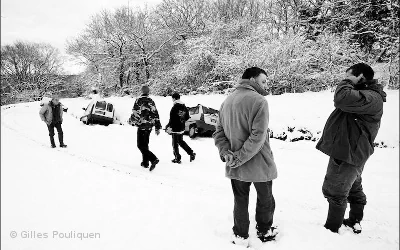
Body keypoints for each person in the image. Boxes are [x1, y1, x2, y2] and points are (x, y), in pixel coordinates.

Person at [316, 63, 386, 234]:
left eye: (349, 76)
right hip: (350, 150)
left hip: (349, 152)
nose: (345, 79)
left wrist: (347, 82)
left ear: (361, 76)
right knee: (353, 186)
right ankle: (354, 220)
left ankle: (331, 229)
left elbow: (341, 98)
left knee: (335, 190)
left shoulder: (371, 98)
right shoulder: (364, 94)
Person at [213, 67, 278, 246]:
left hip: (235, 164)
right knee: (265, 199)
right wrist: (239, 157)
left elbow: (218, 133)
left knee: (240, 199)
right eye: (263, 81)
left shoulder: (226, 101)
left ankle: (240, 235)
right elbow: (258, 136)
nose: (266, 84)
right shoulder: (260, 101)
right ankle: (264, 231)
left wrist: (227, 154)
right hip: (259, 163)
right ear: (252, 79)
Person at [129, 85, 161, 171]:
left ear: (142, 91)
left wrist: (131, 121)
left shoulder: (139, 100)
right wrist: (157, 127)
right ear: (148, 92)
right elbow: (156, 114)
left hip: (142, 126)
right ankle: (145, 163)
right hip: (149, 127)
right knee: (145, 145)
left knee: (140, 145)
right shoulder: (151, 101)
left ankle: (153, 158)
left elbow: (136, 113)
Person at [165, 92, 196, 164]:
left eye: (172, 98)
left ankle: (177, 158)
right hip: (182, 127)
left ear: (174, 98)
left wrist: (168, 127)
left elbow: (172, 119)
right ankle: (191, 153)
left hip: (175, 128)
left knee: (175, 144)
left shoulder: (174, 107)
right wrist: (181, 121)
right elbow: (187, 117)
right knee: (180, 141)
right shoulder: (184, 107)